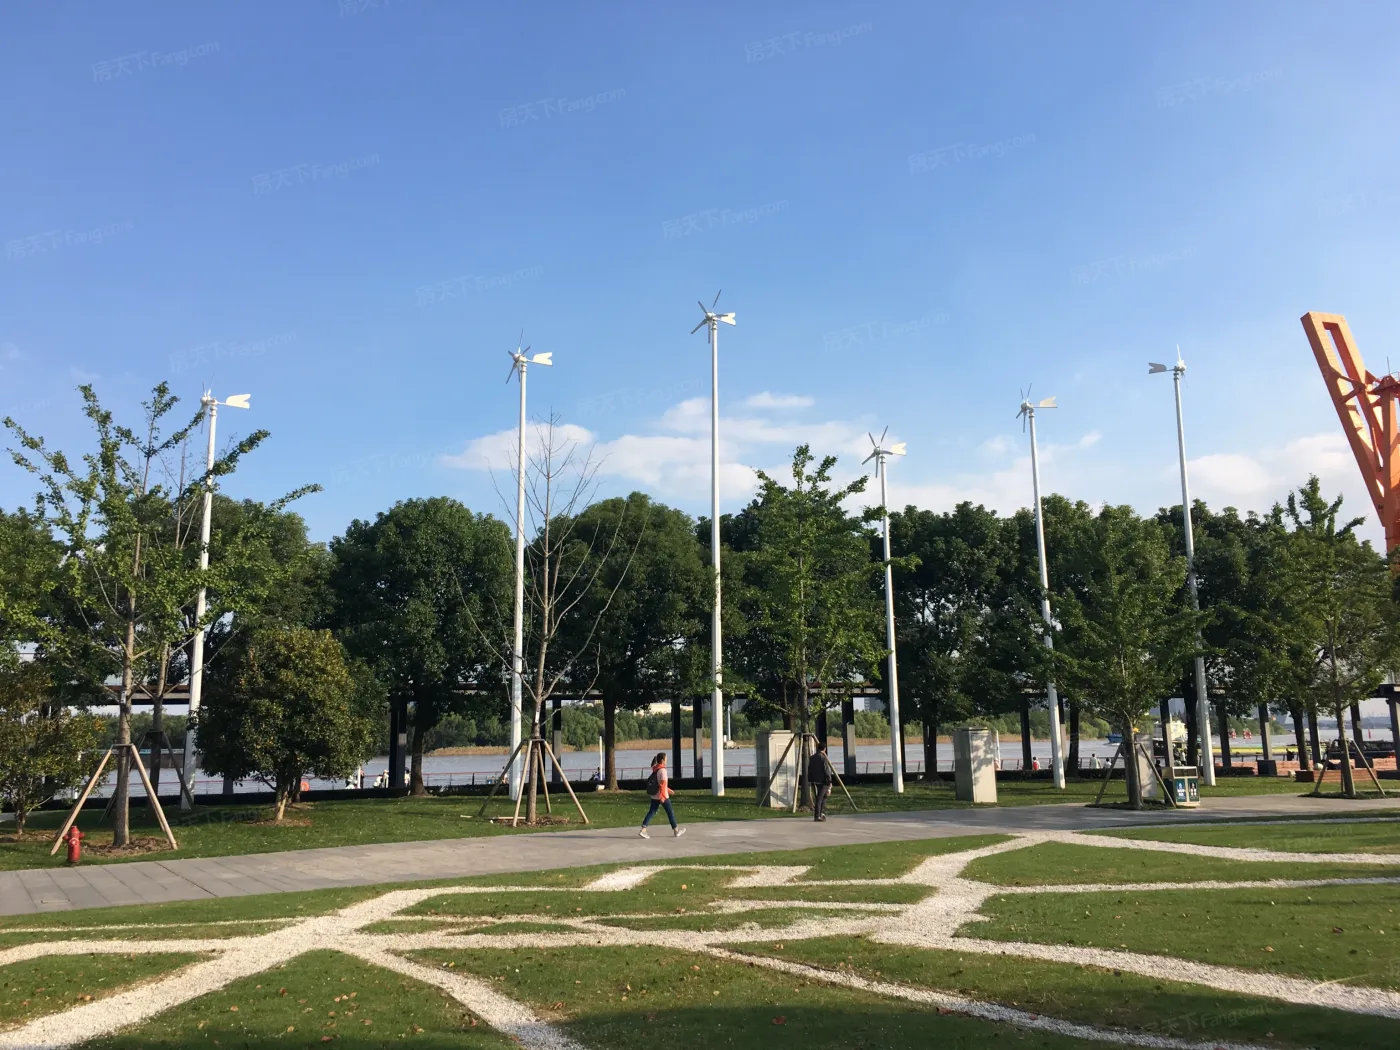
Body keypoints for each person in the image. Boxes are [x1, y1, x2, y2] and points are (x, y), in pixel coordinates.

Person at [639, 752, 684, 839]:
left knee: (652, 812)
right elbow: (662, 784)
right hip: (662, 796)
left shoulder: (655, 769)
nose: (667, 760)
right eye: (666, 759)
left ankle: (643, 830)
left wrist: (668, 790)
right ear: (663, 760)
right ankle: (676, 830)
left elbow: (659, 783)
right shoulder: (663, 771)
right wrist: (663, 796)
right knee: (670, 812)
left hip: (654, 795)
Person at [808, 739, 833, 821]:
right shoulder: (823, 758)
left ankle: (821, 813)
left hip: (815, 780)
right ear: (825, 749)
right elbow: (826, 770)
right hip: (823, 781)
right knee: (820, 798)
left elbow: (810, 769)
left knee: (824, 796)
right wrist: (829, 781)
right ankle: (817, 815)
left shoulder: (812, 758)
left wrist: (810, 779)